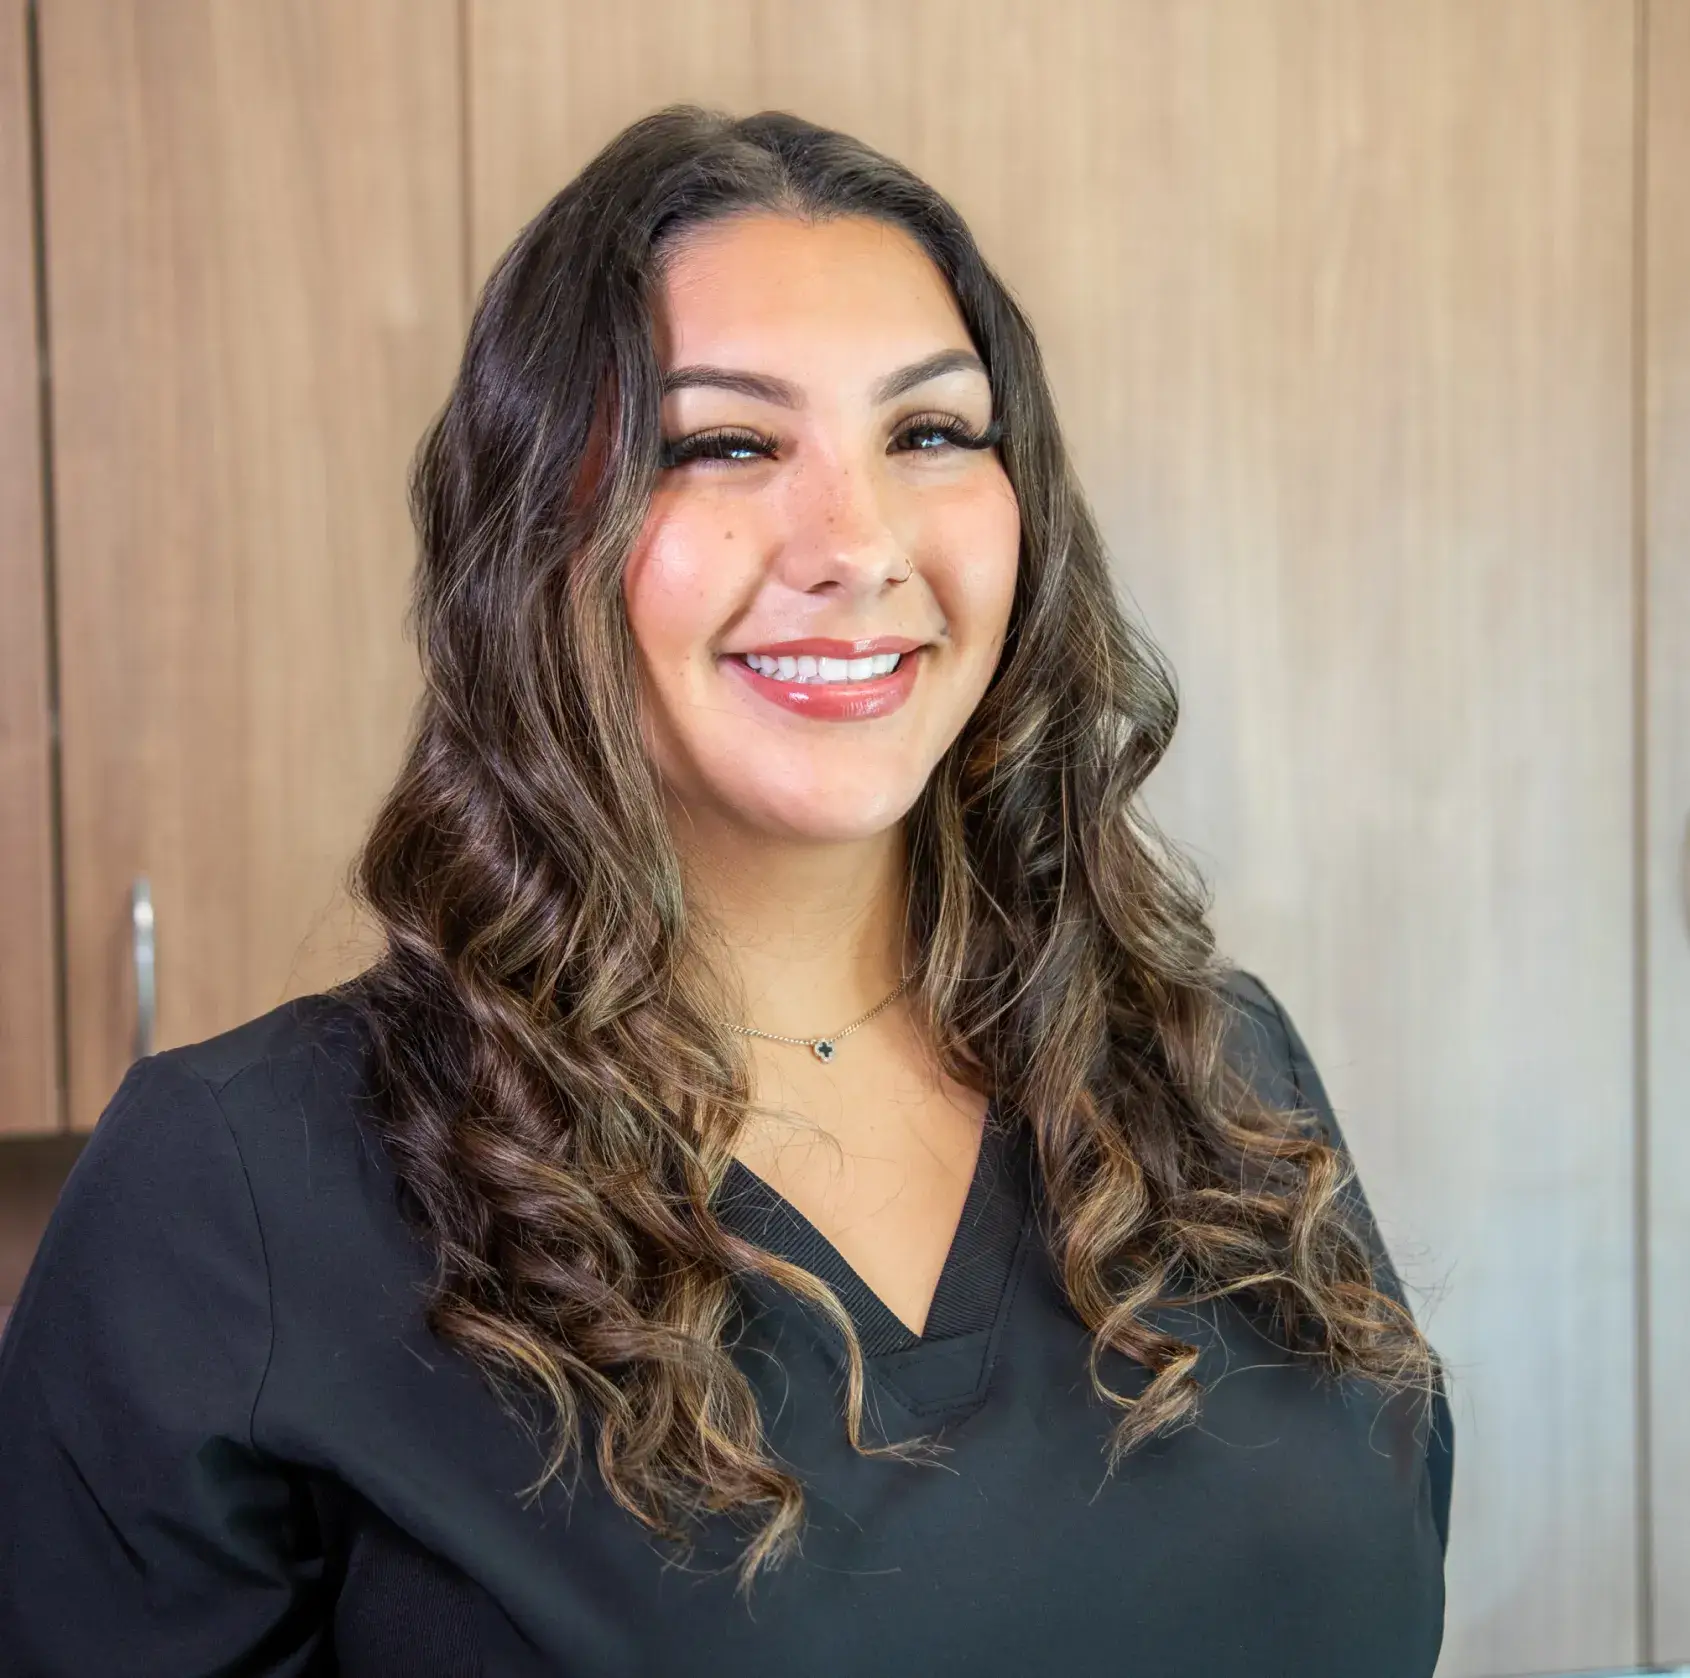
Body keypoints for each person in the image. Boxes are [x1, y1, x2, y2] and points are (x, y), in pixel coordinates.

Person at [0, 107, 1451, 1676]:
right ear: (535, 531)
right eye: (724, 445)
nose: (856, 544)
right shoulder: (233, 1192)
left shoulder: (1218, 1068)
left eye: (929, 433)